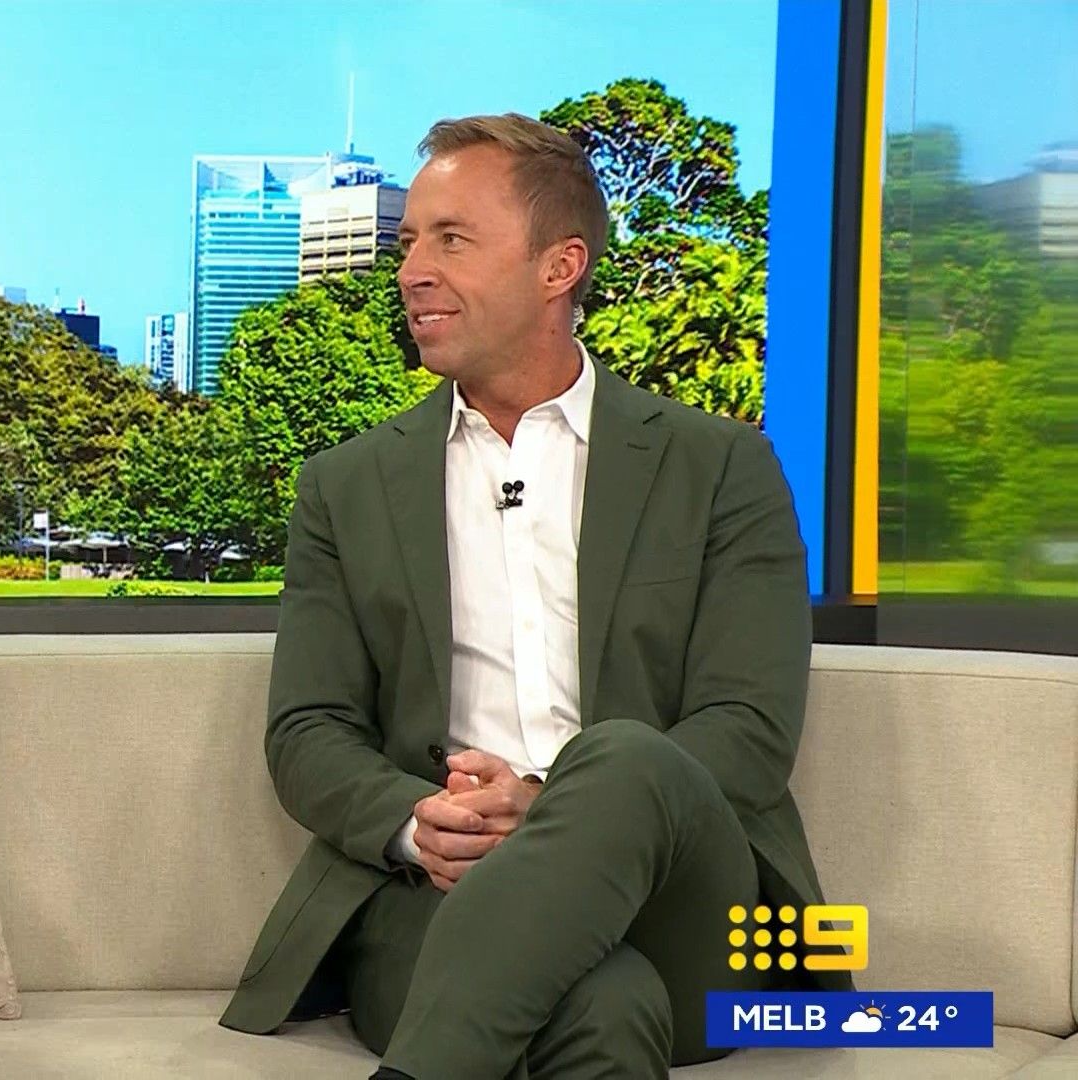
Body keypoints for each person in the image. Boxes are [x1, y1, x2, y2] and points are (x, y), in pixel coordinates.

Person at [219, 113, 852, 1078]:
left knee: (624, 759)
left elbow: (751, 729)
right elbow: (308, 730)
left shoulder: (723, 467)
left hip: (684, 900)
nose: (411, 271)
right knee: (605, 1008)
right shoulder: (346, 487)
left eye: (451, 240)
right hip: (438, 890)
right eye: (408, 243)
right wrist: (417, 824)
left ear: (561, 267)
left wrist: (553, 809)